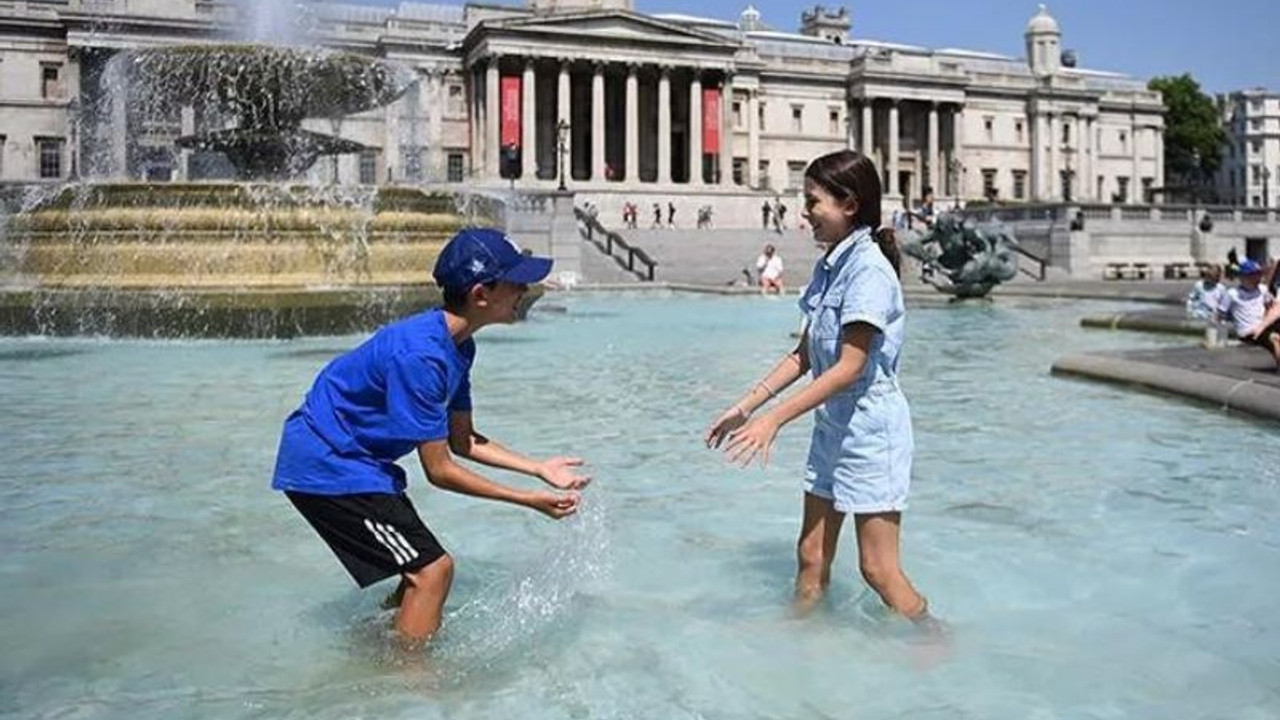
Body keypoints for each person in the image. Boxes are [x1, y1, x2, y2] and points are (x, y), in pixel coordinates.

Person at [271, 227, 590, 648]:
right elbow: (440, 471)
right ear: (481, 294)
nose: (525, 290)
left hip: (357, 462)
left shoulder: (459, 346)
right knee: (433, 571)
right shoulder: (421, 356)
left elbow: (464, 441)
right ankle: (413, 683)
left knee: (418, 573)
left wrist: (537, 468)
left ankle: (375, 648)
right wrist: (527, 500)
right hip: (327, 465)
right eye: (515, 282)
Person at [705, 149, 931, 624]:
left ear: (848, 204)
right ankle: (801, 649)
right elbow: (805, 355)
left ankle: (934, 641)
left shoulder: (869, 270)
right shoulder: (832, 266)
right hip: (833, 428)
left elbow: (849, 367)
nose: (804, 213)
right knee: (810, 554)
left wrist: (775, 420)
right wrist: (745, 407)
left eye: (812, 202)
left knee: (878, 570)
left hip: (871, 435)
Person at [1220, 258, 1280, 370]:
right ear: (1242, 277)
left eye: (1258, 275)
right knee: (1275, 338)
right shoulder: (1232, 294)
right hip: (1247, 330)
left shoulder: (1262, 290)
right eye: (1253, 275)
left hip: (1263, 326)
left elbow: (1270, 306)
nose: (1257, 278)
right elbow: (1221, 313)